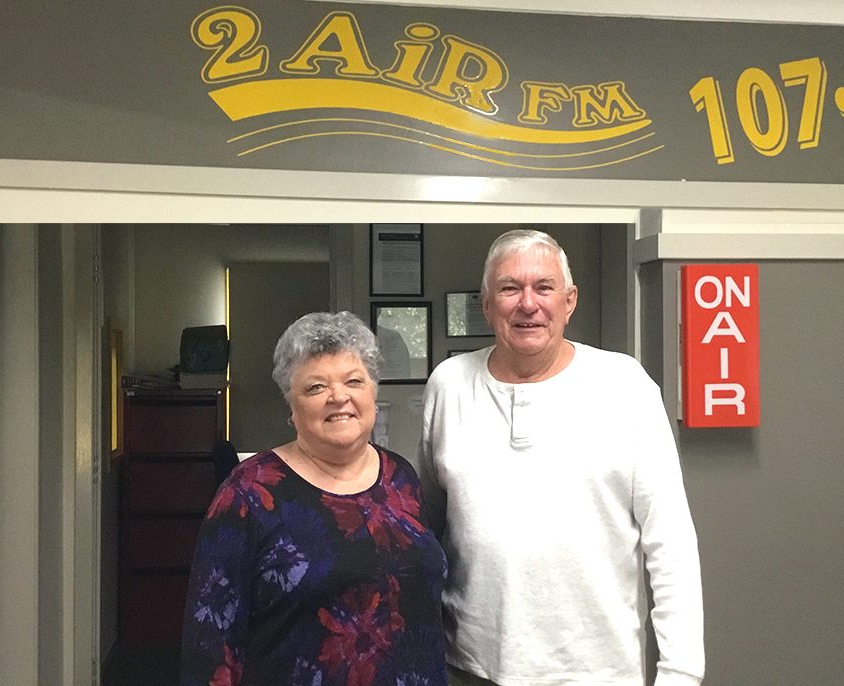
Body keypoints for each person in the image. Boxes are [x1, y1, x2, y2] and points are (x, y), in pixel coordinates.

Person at [419, 230, 704, 686]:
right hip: (470, 667)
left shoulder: (625, 386)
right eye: (510, 288)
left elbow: (669, 542)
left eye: (544, 287)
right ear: (487, 304)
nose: (527, 304)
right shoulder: (449, 384)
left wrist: (680, 672)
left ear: (569, 301)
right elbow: (428, 527)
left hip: (597, 671)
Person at [182, 311, 447, 686]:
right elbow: (209, 644)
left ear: (373, 391)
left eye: (353, 381)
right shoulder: (248, 493)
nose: (339, 397)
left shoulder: (401, 478)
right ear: (291, 406)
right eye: (316, 387)